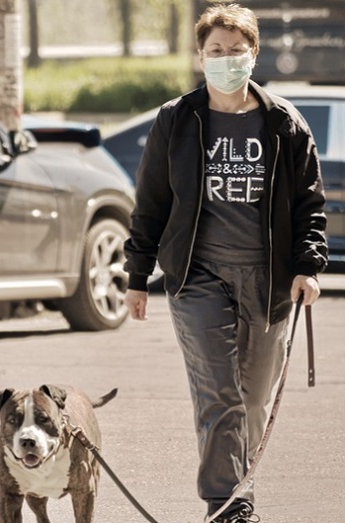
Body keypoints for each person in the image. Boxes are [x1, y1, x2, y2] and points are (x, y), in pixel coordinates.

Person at [122, 3, 328, 522]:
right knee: (219, 395)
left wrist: (307, 267)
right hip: (197, 276)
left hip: (268, 281)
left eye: (236, 50)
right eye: (216, 50)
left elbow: (309, 203)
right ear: (201, 56)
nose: (226, 58)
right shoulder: (177, 120)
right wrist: (137, 277)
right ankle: (227, 504)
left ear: (254, 54)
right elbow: (151, 202)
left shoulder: (283, 122)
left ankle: (239, 488)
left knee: (253, 399)